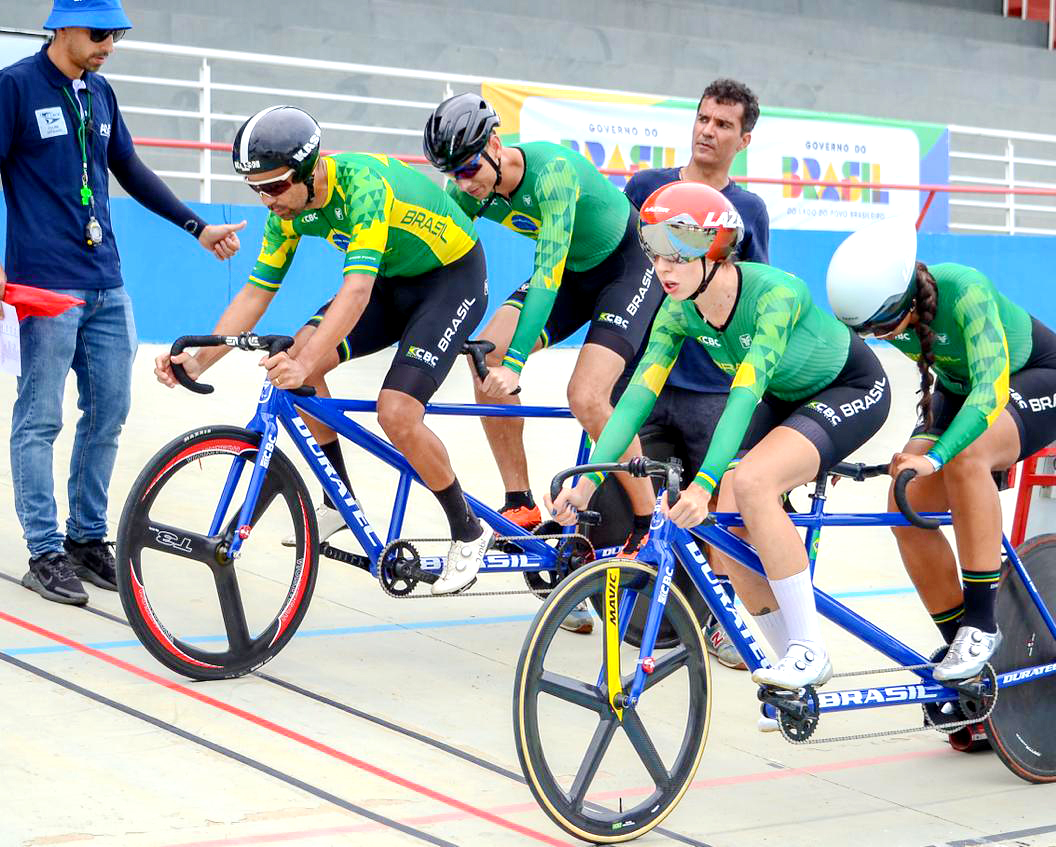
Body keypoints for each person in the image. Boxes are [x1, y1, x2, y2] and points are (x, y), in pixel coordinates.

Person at [549, 181, 892, 694]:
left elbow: (743, 397)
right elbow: (637, 399)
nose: (662, 269)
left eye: (676, 255)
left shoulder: (774, 295)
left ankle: (810, 648)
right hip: (783, 397)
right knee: (727, 535)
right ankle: (790, 672)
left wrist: (703, 483)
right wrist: (586, 485)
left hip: (848, 387)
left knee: (750, 484)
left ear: (714, 251)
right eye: (654, 254)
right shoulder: (678, 310)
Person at [153, 106, 492, 595]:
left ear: (310, 170)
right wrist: (200, 359)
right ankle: (339, 501)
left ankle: (468, 530)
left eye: (274, 187)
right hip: (391, 282)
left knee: (396, 412)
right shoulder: (286, 212)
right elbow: (256, 291)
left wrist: (305, 361)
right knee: (301, 361)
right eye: (255, 189)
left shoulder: (363, 186)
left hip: (449, 281)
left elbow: (356, 291)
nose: (266, 201)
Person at [0, 0, 244, 605]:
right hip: (44, 287)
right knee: (39, 419)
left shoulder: (100, 92)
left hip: (106, 281)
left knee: (108, 412)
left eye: (117, 35)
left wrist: (196, 227)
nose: (109, 45)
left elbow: (129, 167)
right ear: (62, 27)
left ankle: (86, 540)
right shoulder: (15, 87)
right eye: (100, 33)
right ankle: (45, 551)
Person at [826, 215, 1056, 681]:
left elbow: (989, 389)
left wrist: (936, 457)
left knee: (967, 457)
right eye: (866, 332)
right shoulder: (881, 312)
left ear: (905, 297)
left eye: (882, 326)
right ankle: (965, 654)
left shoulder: (965, 289)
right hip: (958, 389)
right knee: (904, 503)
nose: (878, 337)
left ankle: (981, 625)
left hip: (1036, 379)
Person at [422, 94, 661, 561]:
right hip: (573, 271)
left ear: (495, 145)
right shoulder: (468, 191)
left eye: (469, 168)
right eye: (452, 174)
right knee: (485, 353)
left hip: (625, 268)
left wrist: (516, 364)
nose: (463, 183)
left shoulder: (552, 173)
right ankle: (520, 502)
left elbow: (547, 275)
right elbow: (436, 254)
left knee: (586, 396)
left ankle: (647, 522)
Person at [623, 77, 770, 669]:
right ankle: (604, 592)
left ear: (744, 140)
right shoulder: (645, 188)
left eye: (723, 124)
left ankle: (725, 618)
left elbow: (753, 296)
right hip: (649, 375)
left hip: (712, 388)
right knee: (630, 493)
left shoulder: (748, 211)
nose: (709, 131)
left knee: (721, 509)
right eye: (704, 118)